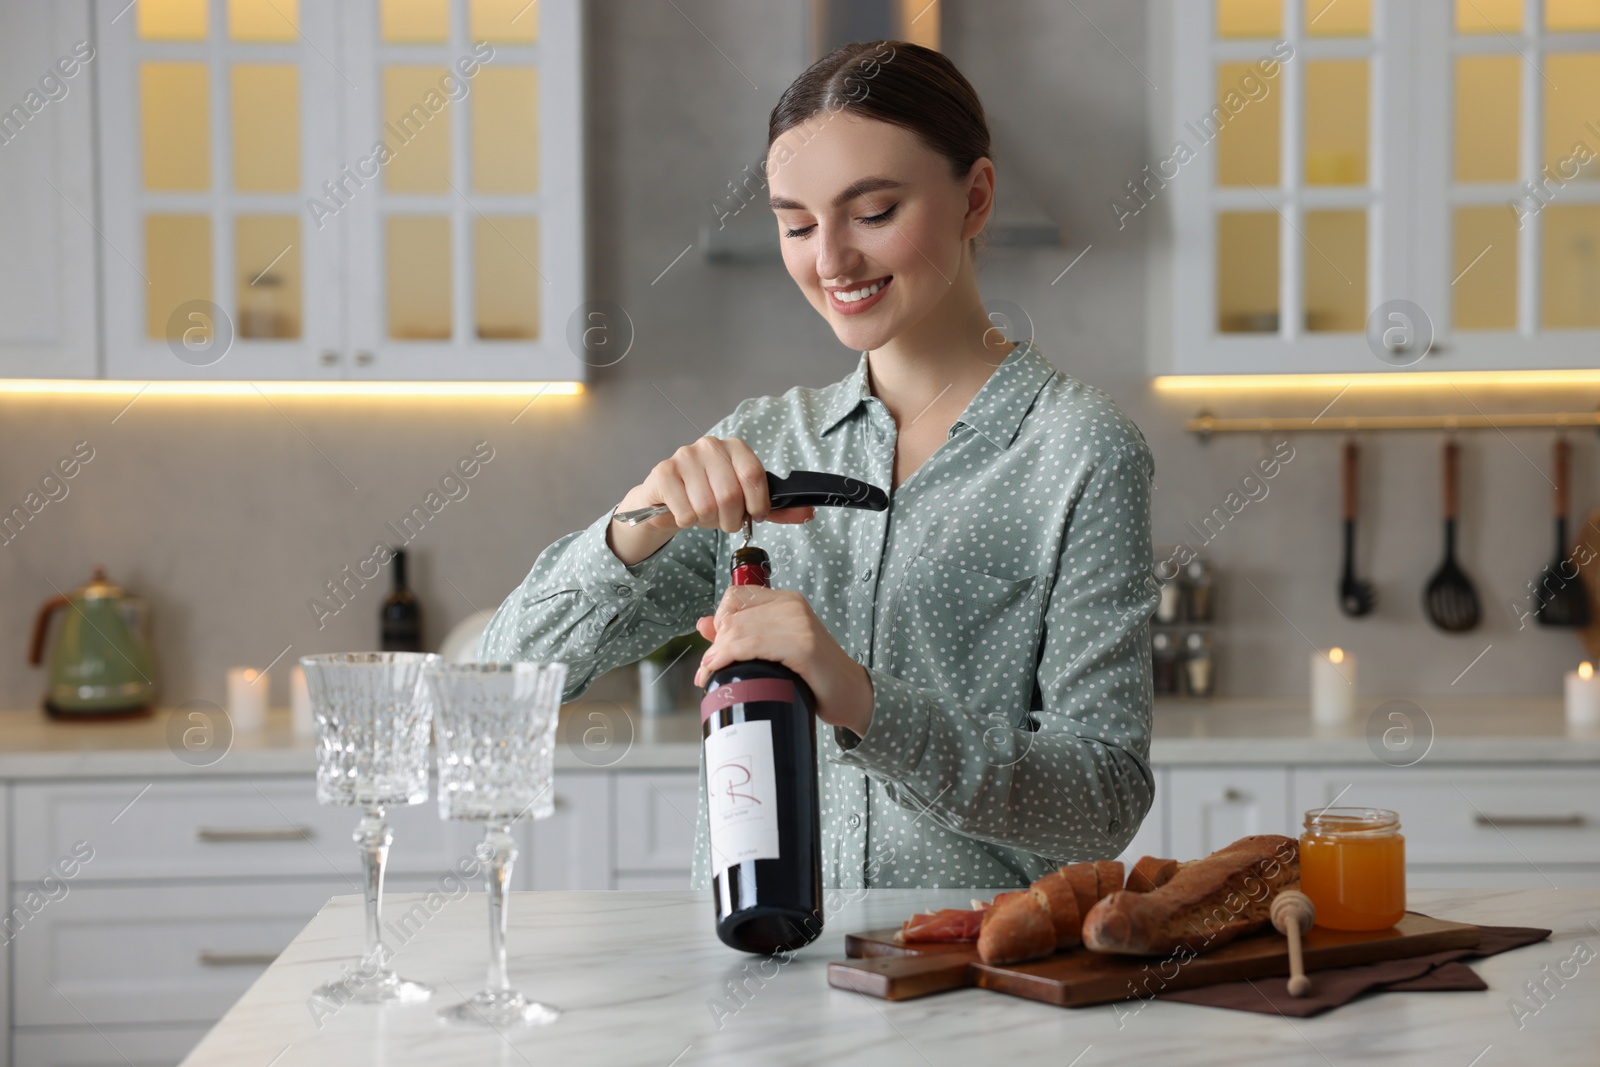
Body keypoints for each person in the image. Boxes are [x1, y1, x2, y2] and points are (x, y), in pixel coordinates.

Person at [481, 41, 1158, 890]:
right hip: (751, 978)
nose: (829, 260)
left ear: (975, 198)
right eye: (797, 224)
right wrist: (635, 524)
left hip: (974, 977)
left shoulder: (1080, 451)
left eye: (872, 213)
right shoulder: (762, 445)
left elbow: (1103, 799)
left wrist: (863, 700)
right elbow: (496, 681)